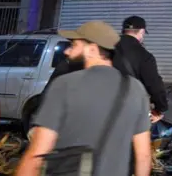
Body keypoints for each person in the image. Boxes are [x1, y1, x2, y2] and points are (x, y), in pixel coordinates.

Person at [17, 21, 152, 176]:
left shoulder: (65, 84)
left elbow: (36, 154)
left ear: (92, 49)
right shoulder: (135, 88)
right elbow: (144, 156)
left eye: (74, 45)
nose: (67, 51)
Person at [114, 16, 168, 123]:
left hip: (105, 105)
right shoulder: (144, 56)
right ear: (142, 32)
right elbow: (154, 86)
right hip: (130, 109)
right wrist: (160, 108)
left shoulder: (107, 49)